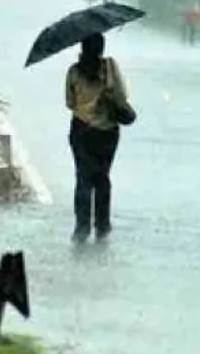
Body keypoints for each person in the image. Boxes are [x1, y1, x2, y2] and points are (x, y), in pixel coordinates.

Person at [64, 33, 127, 244]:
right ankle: (102, 225)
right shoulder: (110, 67)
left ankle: (81, 227)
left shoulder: (74, 71)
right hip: (108, 132)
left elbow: (70, 103)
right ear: (102, 48)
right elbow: (122, 97)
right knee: (102, 177)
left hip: (81, 130)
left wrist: (86, 108)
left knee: (83, 178)